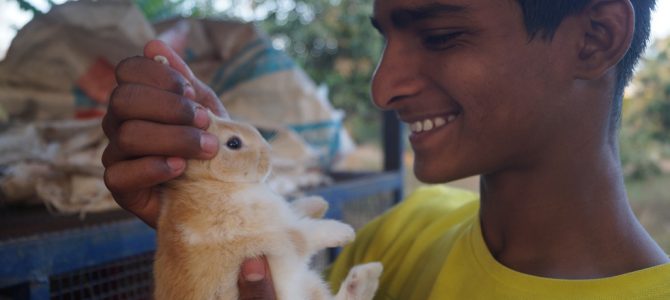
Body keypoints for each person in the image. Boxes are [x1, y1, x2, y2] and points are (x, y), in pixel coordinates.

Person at [102, 0, 670, 298]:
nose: (381, 87)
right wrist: (209, 221)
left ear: (596, 38)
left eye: (441, 35)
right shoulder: (400, 234)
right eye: (386, 38)